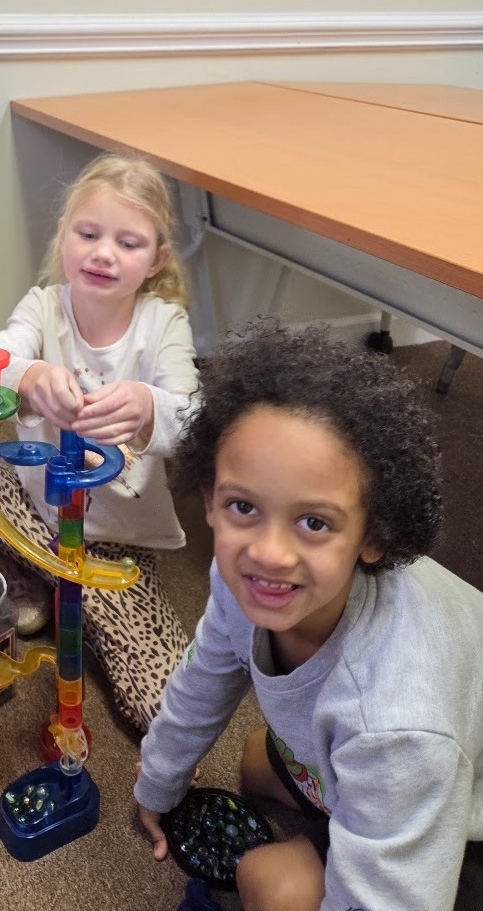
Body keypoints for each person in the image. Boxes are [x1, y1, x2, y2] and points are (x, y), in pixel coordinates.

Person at [134, 320, 483, 911]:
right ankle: (344, 824)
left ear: (375, 537)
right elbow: (204, 679)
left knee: (271, 884)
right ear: (211, 502)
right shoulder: (238, 579)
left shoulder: (395, 723)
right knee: (255, 759)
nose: (269, 553)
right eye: (244, 506)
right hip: (396, 759)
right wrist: (158, 781)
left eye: (314, 522)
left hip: (458, 815)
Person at [0, 153, 199, 733]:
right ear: (63, 236)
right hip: (22, 503)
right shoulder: (42, 304)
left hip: (108, 544)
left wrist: (150, 408)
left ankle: (41, 578)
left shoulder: (164, 323)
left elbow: (196, 418)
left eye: (129, 243)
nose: (104, 252)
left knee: (166, 711)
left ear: (157, 260)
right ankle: (20, 572)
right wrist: (24, 376)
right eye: (89, 233)